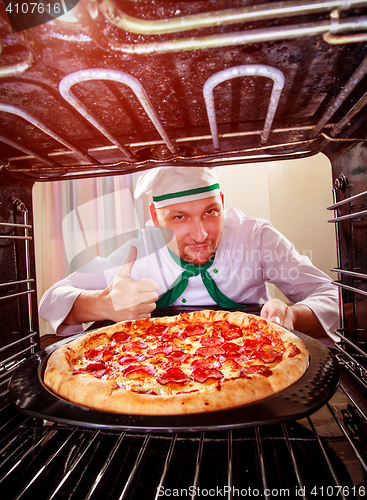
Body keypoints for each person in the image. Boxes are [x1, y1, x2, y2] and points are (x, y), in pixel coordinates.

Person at [39, 166, 339, 339]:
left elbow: (332, 295)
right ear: (155, 219)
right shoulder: (138, 248)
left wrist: (292, 316)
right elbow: (51, 298)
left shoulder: (257, 236)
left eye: (211, 212)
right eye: (179, 217)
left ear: (222, 201)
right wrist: (103, 305)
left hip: (251, 360)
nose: (200, 234)